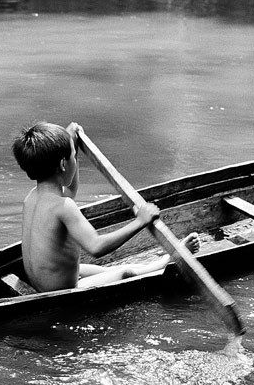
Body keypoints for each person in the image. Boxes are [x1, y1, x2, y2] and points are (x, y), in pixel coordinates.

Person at [11, 121, 197, 292]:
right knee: (126, 273)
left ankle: (156, 263)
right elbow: (96, 247)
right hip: (61, 290)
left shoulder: (33, 197)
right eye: (74, 157)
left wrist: (71, 144)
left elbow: (69, 189)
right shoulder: (63, 206)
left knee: (108, 270)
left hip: (44, 280)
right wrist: (140, 221)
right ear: (62, 164)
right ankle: (169, 259)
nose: (75, 160)